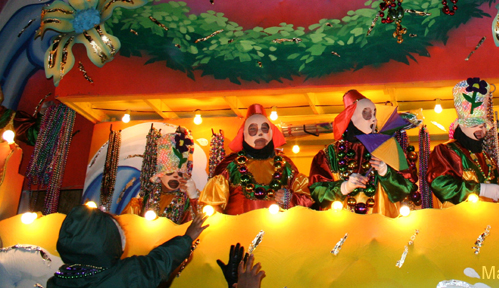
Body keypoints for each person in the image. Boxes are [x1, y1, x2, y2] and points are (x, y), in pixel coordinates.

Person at [309, 89, 414, 216]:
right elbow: (317, 192)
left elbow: (406, 188)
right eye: (367, 114)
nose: (374, 120)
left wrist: (386, 172)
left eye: (375, 114)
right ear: (351, 116)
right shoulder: (329, 153)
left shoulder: (386, 147)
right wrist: (345, 187)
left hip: (382, 223)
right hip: (340, 224)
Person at [47, 205, 207, 287]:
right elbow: (158, 262)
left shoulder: (58, 281)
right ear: (108, 242)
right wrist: (187, 238)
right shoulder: (125, 274)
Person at [199, 104, 312, 214]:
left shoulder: (286, 165)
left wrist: (290, 198)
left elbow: (308, 199)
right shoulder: (230, 166)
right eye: (253, 129)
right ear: (244, 134)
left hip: (278, 231)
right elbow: (211, 206)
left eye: (264, 128)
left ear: (271, 133)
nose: (260, 134)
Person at [427, 78, 499, 207]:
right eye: (474, 125)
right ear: (461, 126)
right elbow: (440, 184)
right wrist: (480, 189)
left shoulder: (487, 158)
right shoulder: (446, 151)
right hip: (458, 221)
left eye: (483, 125)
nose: (481, 129)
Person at [123, 126, 197, 223]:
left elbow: (199, 224)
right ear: (160, 175)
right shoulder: (140, 204)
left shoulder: (187, 203)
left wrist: (194, 197)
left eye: (179, 173)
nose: (175, 176)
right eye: (169, 172)